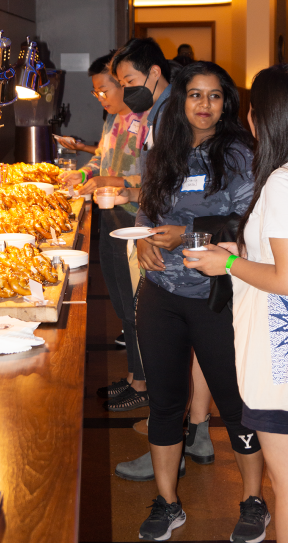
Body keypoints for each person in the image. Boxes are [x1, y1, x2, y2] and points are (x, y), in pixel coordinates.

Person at [131, 61, 268, 542]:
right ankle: (167, 504)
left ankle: (253, 499)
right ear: (181, 100)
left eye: (213, 95)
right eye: (194, 94)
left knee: (236, 404)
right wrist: (144, 239)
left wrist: (186, 234)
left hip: (218, 296)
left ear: (226, 102)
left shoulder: (238, 152)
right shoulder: (165, 148)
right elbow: (150, 209)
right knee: (165, 403)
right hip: (161, 293)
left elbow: (248, 222)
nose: (204, 104)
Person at [183, 63, 288, 543]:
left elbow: (285, 279)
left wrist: (226, 266)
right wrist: (240, 253)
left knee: (285, 489)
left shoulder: (282, 183)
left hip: (276, 358)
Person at [111, 38, 215, 478]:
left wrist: (149, 231)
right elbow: (159, 189)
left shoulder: (170, 115)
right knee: (194, 351)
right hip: (184, 247)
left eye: (129, 81)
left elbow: (183, 193)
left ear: (156, 74)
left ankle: (177, 440)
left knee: (177, 354)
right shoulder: (160, 113)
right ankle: (195, 433)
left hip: (187, 254)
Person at [61, 52, 149, 410]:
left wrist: (105, 179)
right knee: (120, 301)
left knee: (137, 302)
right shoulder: (113, 120)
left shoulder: (145, 120)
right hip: (110, 216)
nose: (100, 97)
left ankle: (143, 382)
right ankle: (133, 376)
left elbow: (149, 180)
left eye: (104, 89)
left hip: (135, 219)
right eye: (95, 92)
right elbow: (100, 157)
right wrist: (84, 175)